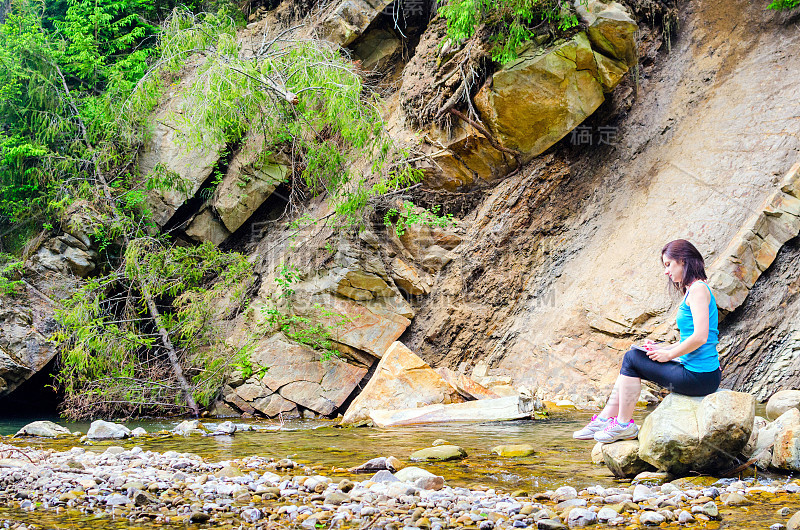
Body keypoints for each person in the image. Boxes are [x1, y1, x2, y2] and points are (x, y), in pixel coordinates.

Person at [573, 239, 721, 443]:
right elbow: (690, 338)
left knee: (632, 359)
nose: (666, 271)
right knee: (635, 357)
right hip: (699, 373)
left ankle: (623, 425)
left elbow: (701, 337)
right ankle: (605, 419)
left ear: (683, 261)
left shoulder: (698, 290)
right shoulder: (693, 290)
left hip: (700, 377)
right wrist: (662, 348)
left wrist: (668, 355)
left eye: (668, 264)